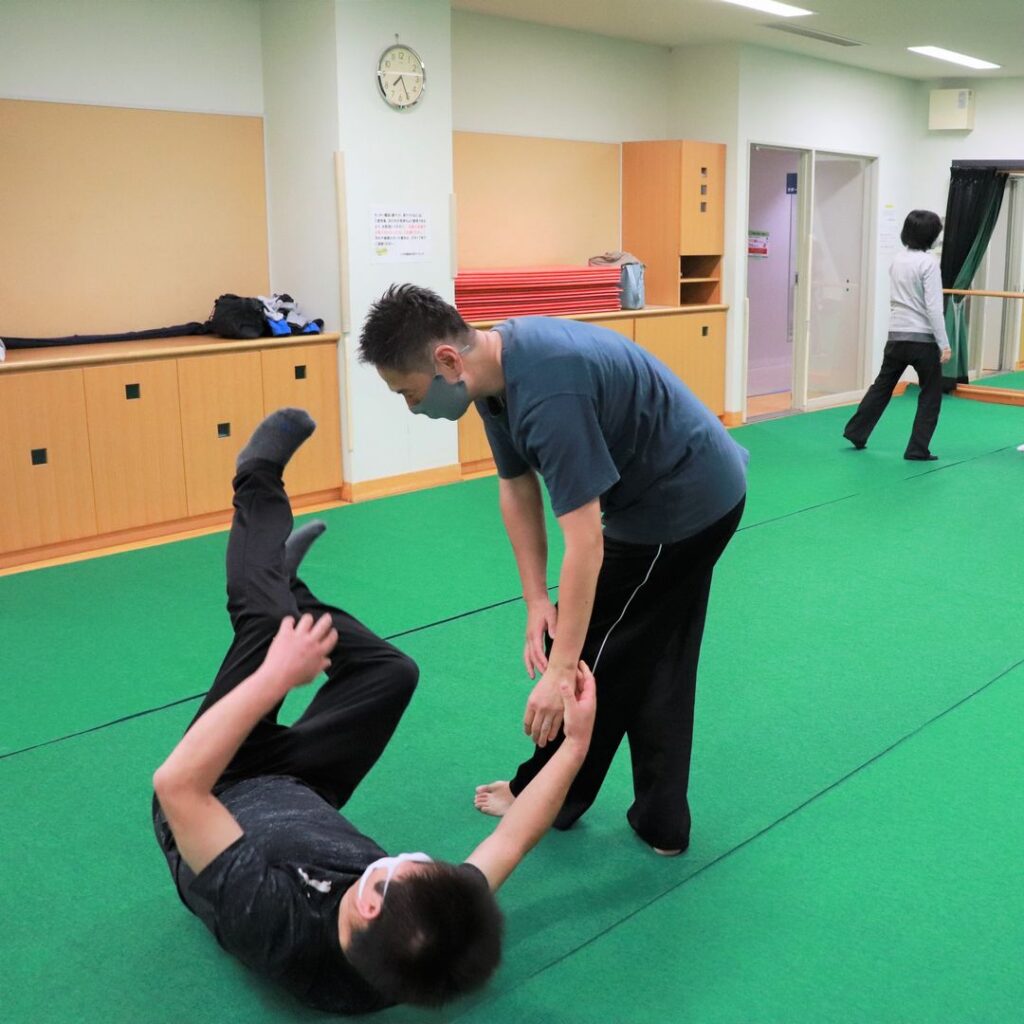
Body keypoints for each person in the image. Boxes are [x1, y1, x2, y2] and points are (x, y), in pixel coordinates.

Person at [152, 408, 597, 1014]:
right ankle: (287, 589)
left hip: (214, 788)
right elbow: (513, 840)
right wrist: (575, 744)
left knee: (267, 622)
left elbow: (176, 787)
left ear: (367, 902)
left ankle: (256, 482)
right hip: (300, 790)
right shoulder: (425, 930)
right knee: (390, 674)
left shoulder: (273, 920)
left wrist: (276, 677)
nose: (419, 859)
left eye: (408, 865)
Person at [358, 286, 748, 856]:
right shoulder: (494, 376)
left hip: (680, 506)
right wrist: (536, 599)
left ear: (447, 361)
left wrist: (561, 668)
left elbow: (585, 542)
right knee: (652, 649)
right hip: (695, 489)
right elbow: (516, 487)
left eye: (409, 393)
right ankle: (661, 822)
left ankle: (544, 794)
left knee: (592, 658)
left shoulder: (547, 391)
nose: (412, 407)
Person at [843, 209, 952, 460]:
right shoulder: (929, 263)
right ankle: (917, 449)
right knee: (930, 394)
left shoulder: (897, 260)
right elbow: (933, 307)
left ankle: (856, 432)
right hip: (923, 340)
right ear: (931, 235)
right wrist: (944, 344)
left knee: (882, 386)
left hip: (896, 337)